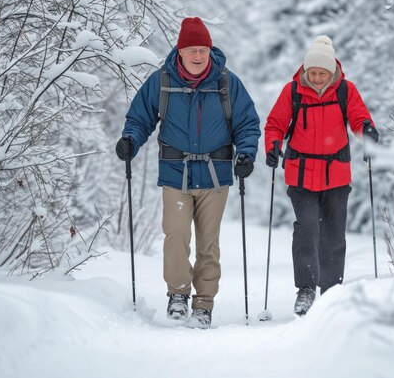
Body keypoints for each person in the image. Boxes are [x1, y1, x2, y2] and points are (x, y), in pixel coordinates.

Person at [115, 17, 261, 329]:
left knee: (208, 243)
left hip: (215, 174)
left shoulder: (226, 82)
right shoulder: (162, 81)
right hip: (175, 172)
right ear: (180, 51)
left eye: (203, 50)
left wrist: (246, 154)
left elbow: (247, 123)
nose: (198, 56)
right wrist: (130, 140)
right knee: (176, 235)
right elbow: (140, 117)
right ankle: (178, 295)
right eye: (192, 50)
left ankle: (204, 305)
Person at [263, 35, 379, 316]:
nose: (316, 78)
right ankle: (306, 290)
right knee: (306, 229)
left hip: (336, 175)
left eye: (321, 73)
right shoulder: (292, 92)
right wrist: (273, 145)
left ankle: (331, 292)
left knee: (333, 234)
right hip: (300, 174)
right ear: (305, 71)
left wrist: (369, 135)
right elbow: (275, 124)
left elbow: (359, 118)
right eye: (312, 73)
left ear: (332, 72)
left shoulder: (345, 91)